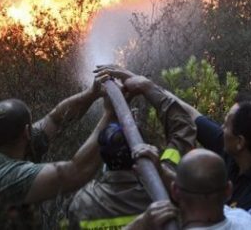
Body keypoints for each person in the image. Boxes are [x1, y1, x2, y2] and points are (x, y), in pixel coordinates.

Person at [96, 65, 251, 230]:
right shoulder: (242, 153)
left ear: (240, 142)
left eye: (225, 124)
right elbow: (192, 116)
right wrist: (147, 86)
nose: (220, 128)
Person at [0, 82, 110, 229]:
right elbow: (77, 172)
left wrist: (91, 94)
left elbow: (55, 119)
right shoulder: (7, 177)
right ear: (27, 132)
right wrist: (110, 114)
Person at [64, 72, 197, 229]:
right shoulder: (167, 184)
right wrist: (147, 87)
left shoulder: (83, 202)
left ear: (102, 156)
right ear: (143, 146)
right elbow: (183, 128)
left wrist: (110, 113)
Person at [126, 149, 251, 229]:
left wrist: (140, 225)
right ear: (229, 190)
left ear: (174, 191)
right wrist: (160, 171)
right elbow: (207, 197)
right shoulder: (245, 221)